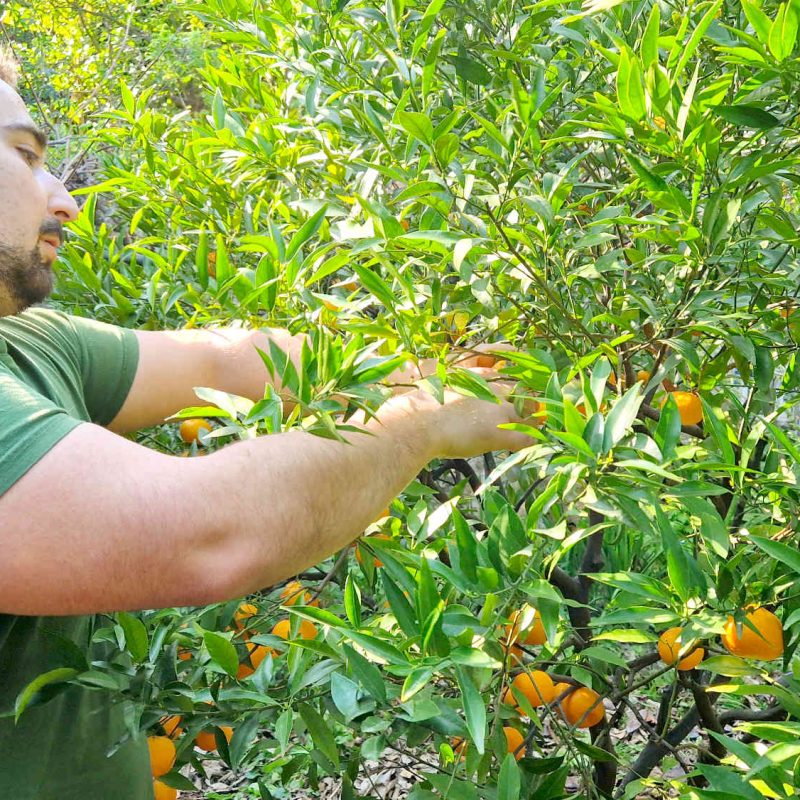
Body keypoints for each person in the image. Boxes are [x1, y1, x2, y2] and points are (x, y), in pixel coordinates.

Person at [0, 46, 531, 798]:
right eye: (25, 156)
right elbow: (209, 534)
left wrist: (433, 365)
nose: (65, 200)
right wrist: (423, 422)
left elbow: (221, 362)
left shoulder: (23, 349)